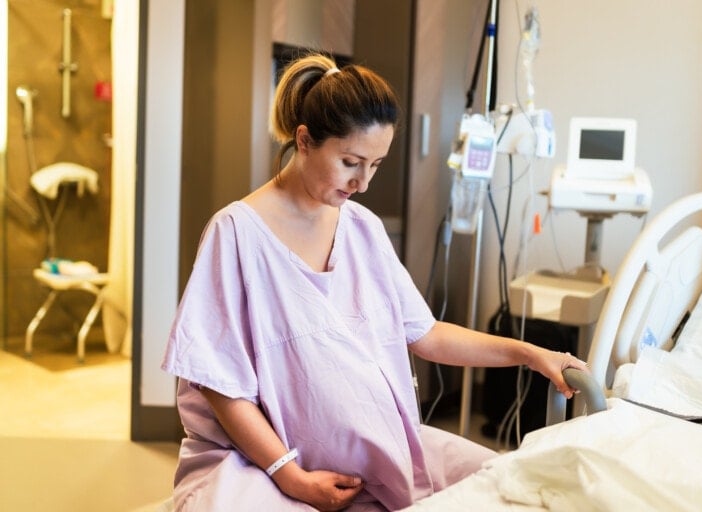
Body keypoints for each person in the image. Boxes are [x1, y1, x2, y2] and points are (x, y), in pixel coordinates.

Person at [161, 53, 588, 512]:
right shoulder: (237, 234)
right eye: (350, 162)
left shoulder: (362, 228)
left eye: (376, 165)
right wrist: (293, 478)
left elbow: (426, 334)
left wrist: (527, 354)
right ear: (304, 141)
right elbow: (221, 385)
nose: (363, 182)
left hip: (370, 452)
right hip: (259, 463)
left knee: (508, 487)